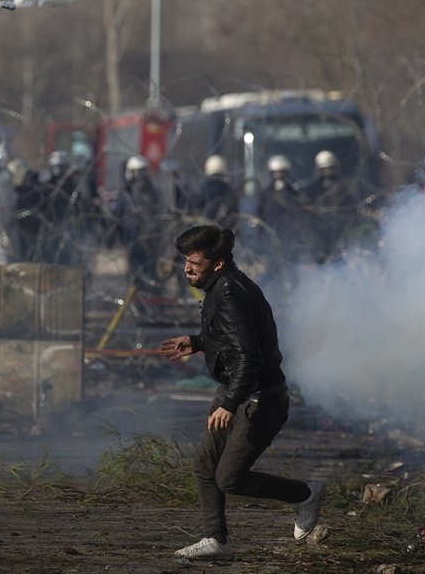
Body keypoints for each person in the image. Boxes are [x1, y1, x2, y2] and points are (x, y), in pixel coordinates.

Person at [159, 225, 324, 561]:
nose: (187, 268)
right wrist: (198, 342)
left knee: (229, 478)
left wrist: (231, 403)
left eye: (194, 262)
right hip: (239, 392)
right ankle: (216, 541)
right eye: (185, 261)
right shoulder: (223, 286)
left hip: (258, 399)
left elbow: (249, 355)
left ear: (216, 263)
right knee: (205, 465)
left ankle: (305, 494)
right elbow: (235, 340)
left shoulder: (229, 294)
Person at [111, 155, 164, 288]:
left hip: (146, 240)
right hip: (136, 240)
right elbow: (117, 217)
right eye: (138, 172)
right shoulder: (126, 194)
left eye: (142, 172)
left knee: (147, 274)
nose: (140, 177)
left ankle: (148, 300)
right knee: (140, 275)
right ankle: (141, 301)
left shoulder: (151, 193)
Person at [302, 149, 358, 263]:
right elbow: (306, 215)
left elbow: (352, 211)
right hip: (319, 237)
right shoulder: (311, 190)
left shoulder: (344, 188)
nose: (328, 172)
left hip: (340, 234)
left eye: (330, 168)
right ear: (319, 170)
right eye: (324, 169)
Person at [189, 154, 239, 228]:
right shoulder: (228, 190)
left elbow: (195, 209)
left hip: (205, 231)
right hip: (224, 232)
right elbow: (234, 214)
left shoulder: (204, 189)